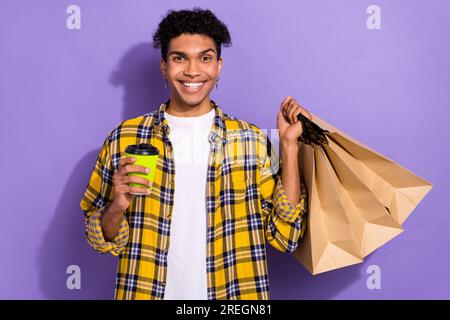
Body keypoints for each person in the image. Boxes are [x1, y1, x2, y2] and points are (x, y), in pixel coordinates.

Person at [80, 7, 311, 300]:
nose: (192, 70)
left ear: (218, 66)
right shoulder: (124, 138)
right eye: (180, 58)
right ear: (164, 66)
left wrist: (289, 147)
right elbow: (98, 239)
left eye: (205, 58)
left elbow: (285, 236)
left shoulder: (253, 141)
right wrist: (117, 206)